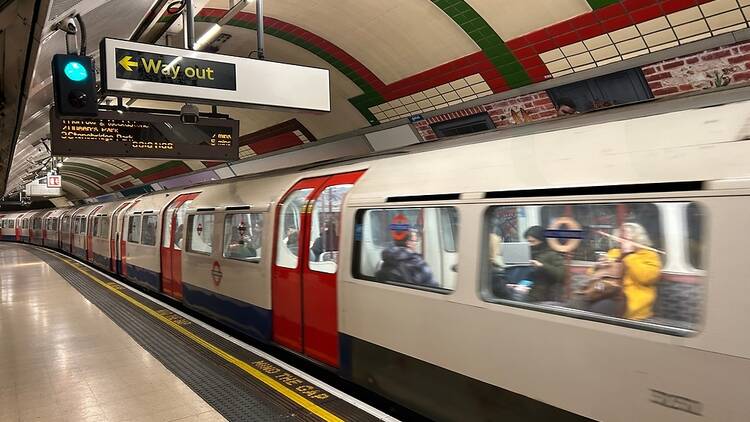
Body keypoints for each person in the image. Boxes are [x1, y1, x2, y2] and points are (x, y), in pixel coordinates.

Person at [588, 223, 662, 320]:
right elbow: (590, 274)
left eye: (627, 239)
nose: (622, 242)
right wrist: (598, 267)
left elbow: (646, 278)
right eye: (621, 238)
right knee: (577, 303)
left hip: (630, 299)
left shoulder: (649, 255)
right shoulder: (614, 252)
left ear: (637, 239)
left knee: (600, 309)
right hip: (605, 291)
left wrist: (629, 255)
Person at [524, 226, 565, 302]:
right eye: (528, 242)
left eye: (533, 241)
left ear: (542, 241)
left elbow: (561, 275)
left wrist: (542, 266)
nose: (530, 245)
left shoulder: (552, 254)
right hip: (526, 290)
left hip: (543, 295)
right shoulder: (527, 253)